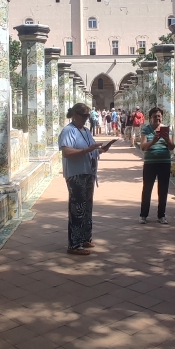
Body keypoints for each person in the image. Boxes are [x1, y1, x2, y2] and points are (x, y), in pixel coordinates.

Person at [59, 103, 112, 255]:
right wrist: (86, 150)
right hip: (76, 174)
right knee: (77, 208)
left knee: (87, 207)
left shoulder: (86, 131)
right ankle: (74, 244)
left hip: (88, 173)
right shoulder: (69, 131)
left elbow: (91, 149)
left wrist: (101, 150)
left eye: (88, 116)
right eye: (84, 115)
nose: (86, 118)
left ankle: (85, 238)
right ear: (75, 115)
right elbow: (66, 152)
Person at [139, 107, 175, 224]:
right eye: (155, 116)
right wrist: (154, 141)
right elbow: (143, 147)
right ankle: (143, 215)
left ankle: (161, 215)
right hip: (150, 163)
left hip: (164, 163)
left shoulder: (166, 130)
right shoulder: (146, 129)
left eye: (159, 116)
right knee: (147, 189)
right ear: (150, 118)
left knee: (163, 189)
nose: (157, 119)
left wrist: (167, 140)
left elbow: (172, 147)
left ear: (162, 117)